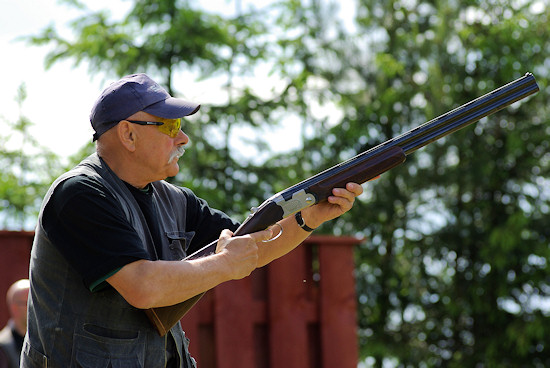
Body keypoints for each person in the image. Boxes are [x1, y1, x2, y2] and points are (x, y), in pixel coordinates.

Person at [21, 73, 364, 368]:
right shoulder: (79, 194)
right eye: (170, 126)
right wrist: (225, 265)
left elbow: (251, 247)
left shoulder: (175, 200)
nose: (183, 138)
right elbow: (143, 286)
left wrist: (309, 218)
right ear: (128, 135)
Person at [0, 279, 29, 368]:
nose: (34, 308)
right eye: (28, 303)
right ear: (15, 308)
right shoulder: (3, 347)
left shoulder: (40, 341)